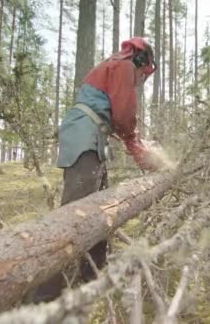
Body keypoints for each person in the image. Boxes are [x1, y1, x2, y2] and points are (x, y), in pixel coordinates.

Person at [29, 37, 160, 302]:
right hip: (84, 135)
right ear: (142, 60)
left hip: (92, 136)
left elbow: (112, 113)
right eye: (144, 71)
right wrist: (134, 143)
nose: (141, 77)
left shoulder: (114, 66)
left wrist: (131, 140)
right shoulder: (123, 67)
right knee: (75, 214)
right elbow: (123, 112)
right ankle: (44, 295)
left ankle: (93, 272)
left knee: (101, 207)